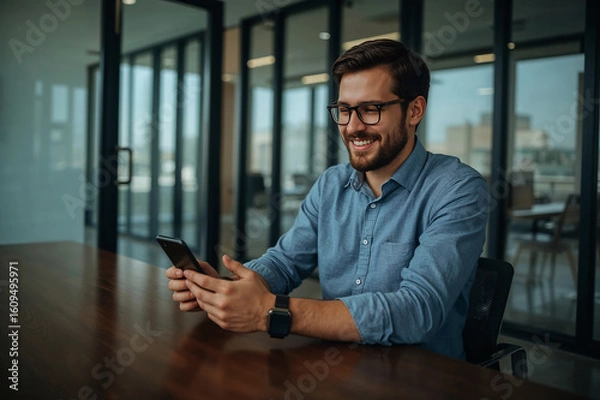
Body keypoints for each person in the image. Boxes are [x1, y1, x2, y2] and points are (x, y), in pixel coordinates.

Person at [166, 39, 489, 360]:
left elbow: (418, 310)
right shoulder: (332, 184)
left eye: (370, 110)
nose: (353, 127)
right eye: (345, 110)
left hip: (422, 378)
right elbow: (285, 262)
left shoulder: (457, 189)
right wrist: (228, 290)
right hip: (332, 366)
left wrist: (271, 312)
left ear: (414, 110)